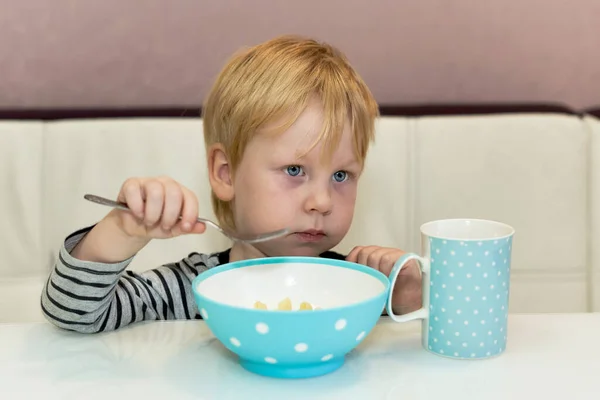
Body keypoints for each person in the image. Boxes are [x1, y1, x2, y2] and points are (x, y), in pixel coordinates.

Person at [40, 35, 422, 333]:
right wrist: (123, 230)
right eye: (294, 170)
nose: (322, 201)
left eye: (341, 176)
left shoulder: (360, 288)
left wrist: (409, 300)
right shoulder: (190, 289)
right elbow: (73, 314)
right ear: (225, 173)